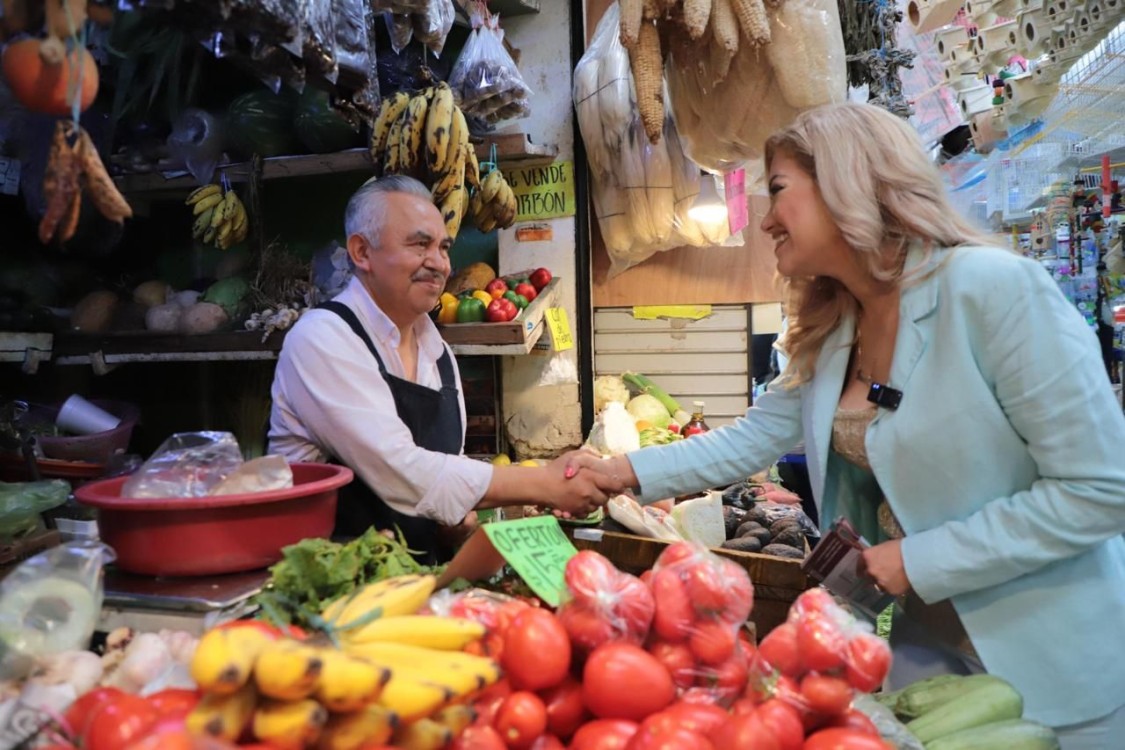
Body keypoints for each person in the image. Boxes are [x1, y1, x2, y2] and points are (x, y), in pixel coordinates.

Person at [566, 102, 1125, 747]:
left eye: (777, 190)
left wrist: (917, 559)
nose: (767, 219)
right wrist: (617, 473)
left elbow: (1099, 489)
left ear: (846, 181)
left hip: (1054, 665)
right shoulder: (835, 328)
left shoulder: (992, 290)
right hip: (926, 658)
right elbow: (754, 437)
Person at [269, 175, 614, 563]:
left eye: (443, 248)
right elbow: (402, 471)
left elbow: (445, 473)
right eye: (419, 245)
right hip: (331, 587)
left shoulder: (438, 354)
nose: (438, 263)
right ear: (362, 252)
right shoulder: (322, 338)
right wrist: (545, 481)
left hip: (419, 585)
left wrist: (455, 527)